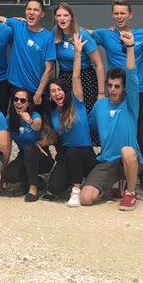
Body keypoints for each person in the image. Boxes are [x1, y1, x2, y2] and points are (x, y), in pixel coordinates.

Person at [91, 0, 143, 192]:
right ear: (112, 15)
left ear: (130, 15)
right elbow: (84, 32)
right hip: (116, 92)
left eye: (123, 13)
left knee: (141, 136)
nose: (119, 16)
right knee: (115, 132)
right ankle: (117, 172)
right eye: (116, 13)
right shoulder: (106, 34)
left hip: (138, 93)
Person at [80, 31, 143, 210]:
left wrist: (130, 47)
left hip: (127, 161)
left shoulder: (130, 103)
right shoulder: (100, 106)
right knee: (85, 199)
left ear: (124, 88)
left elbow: (131, 74)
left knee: (127, 151)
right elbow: (87, 128)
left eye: (117, 86)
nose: (113, 89)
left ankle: (130, 193)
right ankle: (114, 184)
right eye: (110, 85)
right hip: (106, 161)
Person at [45, 38, 97, 207]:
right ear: (50, 96)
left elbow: (76, 76)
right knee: (54, 188)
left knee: (74, 152)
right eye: (53, 91)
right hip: (67, 155)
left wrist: (77, 52)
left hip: (86, 153)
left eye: (59, 89)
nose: (57, 93)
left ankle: (76, 190)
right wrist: (40, 143)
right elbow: (54, 138)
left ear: (65, 92)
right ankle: (76, 177)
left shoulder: (77, 103)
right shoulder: (53, 114)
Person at [52, 3, 104, 141]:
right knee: (67, 114)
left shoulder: (82, 35)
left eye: (65, 15)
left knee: (86, 115)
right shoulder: (54, 33)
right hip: (64, 77)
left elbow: (98, 65)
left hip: (85, 78)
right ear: (55, 18)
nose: (62, 19)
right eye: (59, 15)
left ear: (71, 17)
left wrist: (101, 93)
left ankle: (89, 147)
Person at [5, 87, 55, 202]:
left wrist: (29, 121)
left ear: (28, 104)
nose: (18, 102)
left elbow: (37, 126)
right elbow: (7, 148)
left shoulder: (35, 116)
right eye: (16, 99)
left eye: (23, 100)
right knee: (9, 175)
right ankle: (36, 180)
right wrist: (3, 171)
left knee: (29, 148)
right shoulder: (9, 119)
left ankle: (33, 188)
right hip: (23, 154)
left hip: (41, 155)